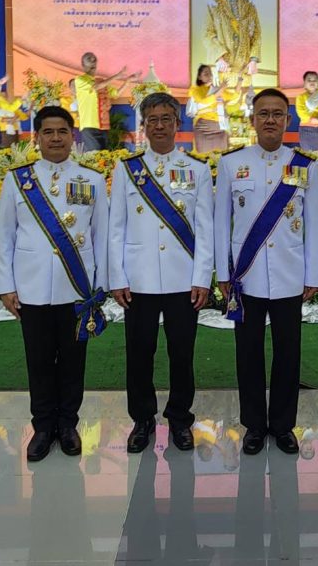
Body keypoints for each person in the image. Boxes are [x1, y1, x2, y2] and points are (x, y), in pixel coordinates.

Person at [0, 105, 109, 462]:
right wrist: (6, 285)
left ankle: (68, 425)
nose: (56, 138)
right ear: (37, 138)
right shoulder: (18, 180)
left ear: (73, 137)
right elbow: (5, 236)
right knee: (39, 361)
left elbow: (101, 236)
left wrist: (100, 285)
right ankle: (43, 427)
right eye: (48, 132)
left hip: (76, 288)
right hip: (32, 289)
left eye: (62, 132)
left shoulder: (91, 179)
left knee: (74, 362)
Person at [214, 88, 318, 455]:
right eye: (264, 113)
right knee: (248, 355)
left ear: (288, 120)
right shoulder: (231, 163)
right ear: (252, 120)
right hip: (246, 279)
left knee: (288, 354)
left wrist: (313, 274)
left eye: (278, 113)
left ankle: (283, 425)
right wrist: (223, 272)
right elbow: (221, 223)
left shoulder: (305, 165)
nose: (271, 119)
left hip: (290, 275)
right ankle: (254, 426)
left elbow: (314, 224)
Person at [109, 92, 214, 454]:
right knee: (139, 354)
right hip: (138, 280)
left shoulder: (197, 169)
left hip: (182, 279)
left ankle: (180, 419)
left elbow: (205, 229)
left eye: (165, 119)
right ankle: (142, 419)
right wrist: (118, 277)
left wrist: (202, 277)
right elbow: (116, 228)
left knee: (182, 354)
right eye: (151, 119)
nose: (158, 126)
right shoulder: (127, 169)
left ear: (177, 124)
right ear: (143, 125)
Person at [203, 0, 262, 83]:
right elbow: (208, 34)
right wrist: (219, 58)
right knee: (221, 94)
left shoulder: (249, 5)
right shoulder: (213, 4)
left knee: (244, 93)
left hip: (244, 69)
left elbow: (256, 34)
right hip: (223, 67)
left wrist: (253, 60)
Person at [74, 52, 128, 152]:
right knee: (94, 155)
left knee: (104, 156)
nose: (92, 62)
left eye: (94, 60)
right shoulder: (80, 80)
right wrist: (117, 76)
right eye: (89, 60)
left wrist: (128, 81)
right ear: (83, 65)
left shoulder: (101, 82)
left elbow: (116, 94)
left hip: (103, 126)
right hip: (89, 125)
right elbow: (96, 87)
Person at [187, 64, 229, 153]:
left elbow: (233, 97)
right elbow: (204, 102)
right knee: (204, 155)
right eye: (206, 74)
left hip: (219, 128)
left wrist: (240, 80)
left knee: (221, 155)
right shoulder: (195, 90)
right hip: (204, 127)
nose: (209, 76)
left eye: (210, 74)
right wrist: (220, 90)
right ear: (199, 77)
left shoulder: (216, 89)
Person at [295, 70, 318, 150]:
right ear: (304, 84)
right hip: (307, 128)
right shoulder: (301, 97)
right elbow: (302, 115)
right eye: (309, 80)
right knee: (310, 154)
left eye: (315, 80)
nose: (312, 82)